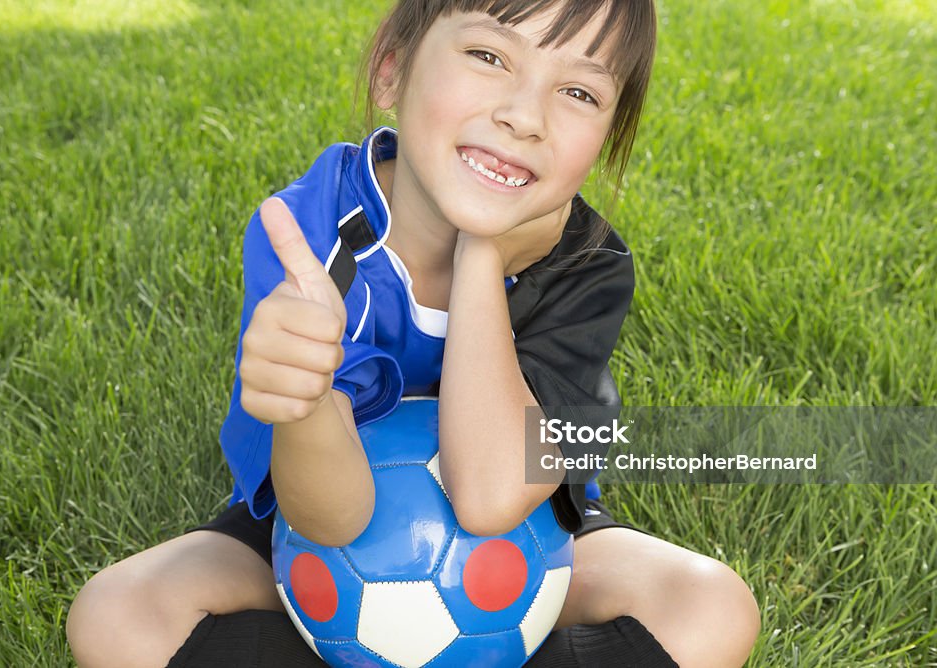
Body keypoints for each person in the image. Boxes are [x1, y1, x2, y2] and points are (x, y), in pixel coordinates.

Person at [67, 1, 761, 666]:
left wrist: (480, 257)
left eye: (580, 93)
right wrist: (305, 400)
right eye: (489, 54)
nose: (524, 117)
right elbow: (332, 520)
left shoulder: (589, 265)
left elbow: (492, 495)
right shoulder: (316, 241)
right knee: (117, 615)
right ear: (392, 69)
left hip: (531, 543)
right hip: (306, 548)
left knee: (711, 609)